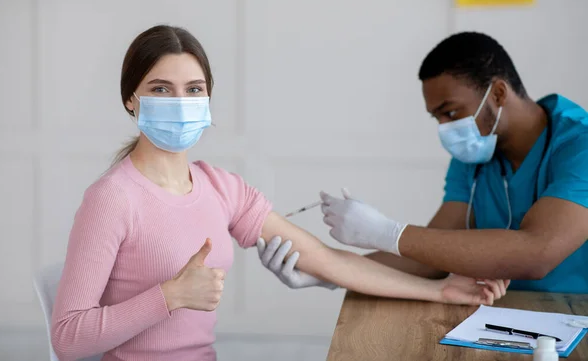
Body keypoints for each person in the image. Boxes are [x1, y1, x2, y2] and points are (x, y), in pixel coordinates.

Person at [50, 26, 508, 361]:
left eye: (193, 90)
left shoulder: (219, 187)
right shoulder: (112, 198)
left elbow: (330, 261)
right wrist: (168, 295)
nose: (179, 102)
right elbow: (67, 338)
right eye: (160, 89)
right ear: (131, 98)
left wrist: (442, 292)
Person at [261, 31, 588, 294]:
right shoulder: (476, 152)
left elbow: (537, 253)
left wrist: (386, 232)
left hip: (570, 314)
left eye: (451, 112)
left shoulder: (579, 147)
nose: (446, 128)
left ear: (499, 93)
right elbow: (431, 257)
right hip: (495, 313)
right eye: (437, 118)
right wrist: (329, 272)